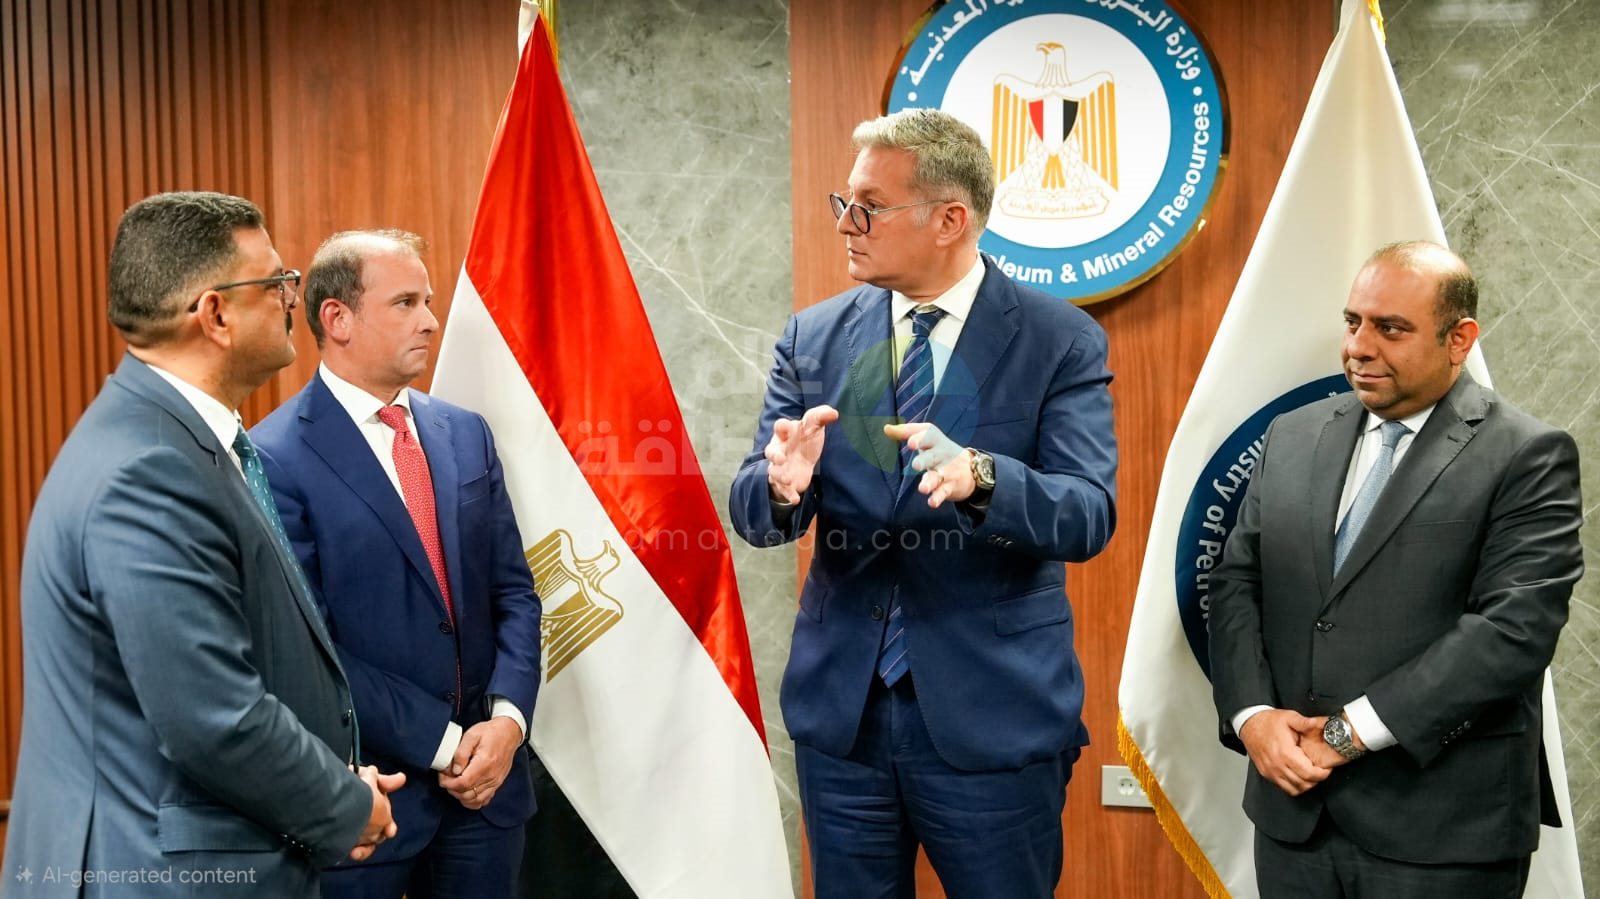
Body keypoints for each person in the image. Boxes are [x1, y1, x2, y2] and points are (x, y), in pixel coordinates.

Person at [728, 108, 1118, 897]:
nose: (847, 222)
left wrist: (983, 477)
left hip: (994, 713)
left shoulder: (1059, 340)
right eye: (845, 202)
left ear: (950, 220)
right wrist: (778, 485)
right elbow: (753, 508)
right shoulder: (812, 337)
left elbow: (1087, 512)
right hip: (845, 720)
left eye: (870, 206)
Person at [3, 191, 402, 897]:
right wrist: (346, 805)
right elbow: (213, 717)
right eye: (276, 282)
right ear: (215, 315)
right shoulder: (150, 470)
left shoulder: (176, 442)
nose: (291, 300)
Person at [1207, 241, 1584, 898]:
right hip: (1294, 820)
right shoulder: (1293, 434)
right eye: (1353, 321)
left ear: (1459, 339)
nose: (1359, 346)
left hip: (1444, 830)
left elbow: (1513, 630)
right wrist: (1253, 714)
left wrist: (1347, 733)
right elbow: (1237, 581)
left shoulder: (1527, 455)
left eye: (1391, 328)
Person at [251, 230, 541, 899]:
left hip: (490, 797)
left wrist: (507, 722)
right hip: (368, 799)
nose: (430, 320)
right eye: (406, 302)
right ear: (337, 319)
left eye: (428, 301)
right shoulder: (272, 458)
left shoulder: (465, 432)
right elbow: (308, 649)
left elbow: (515, 593)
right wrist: (445, 743)